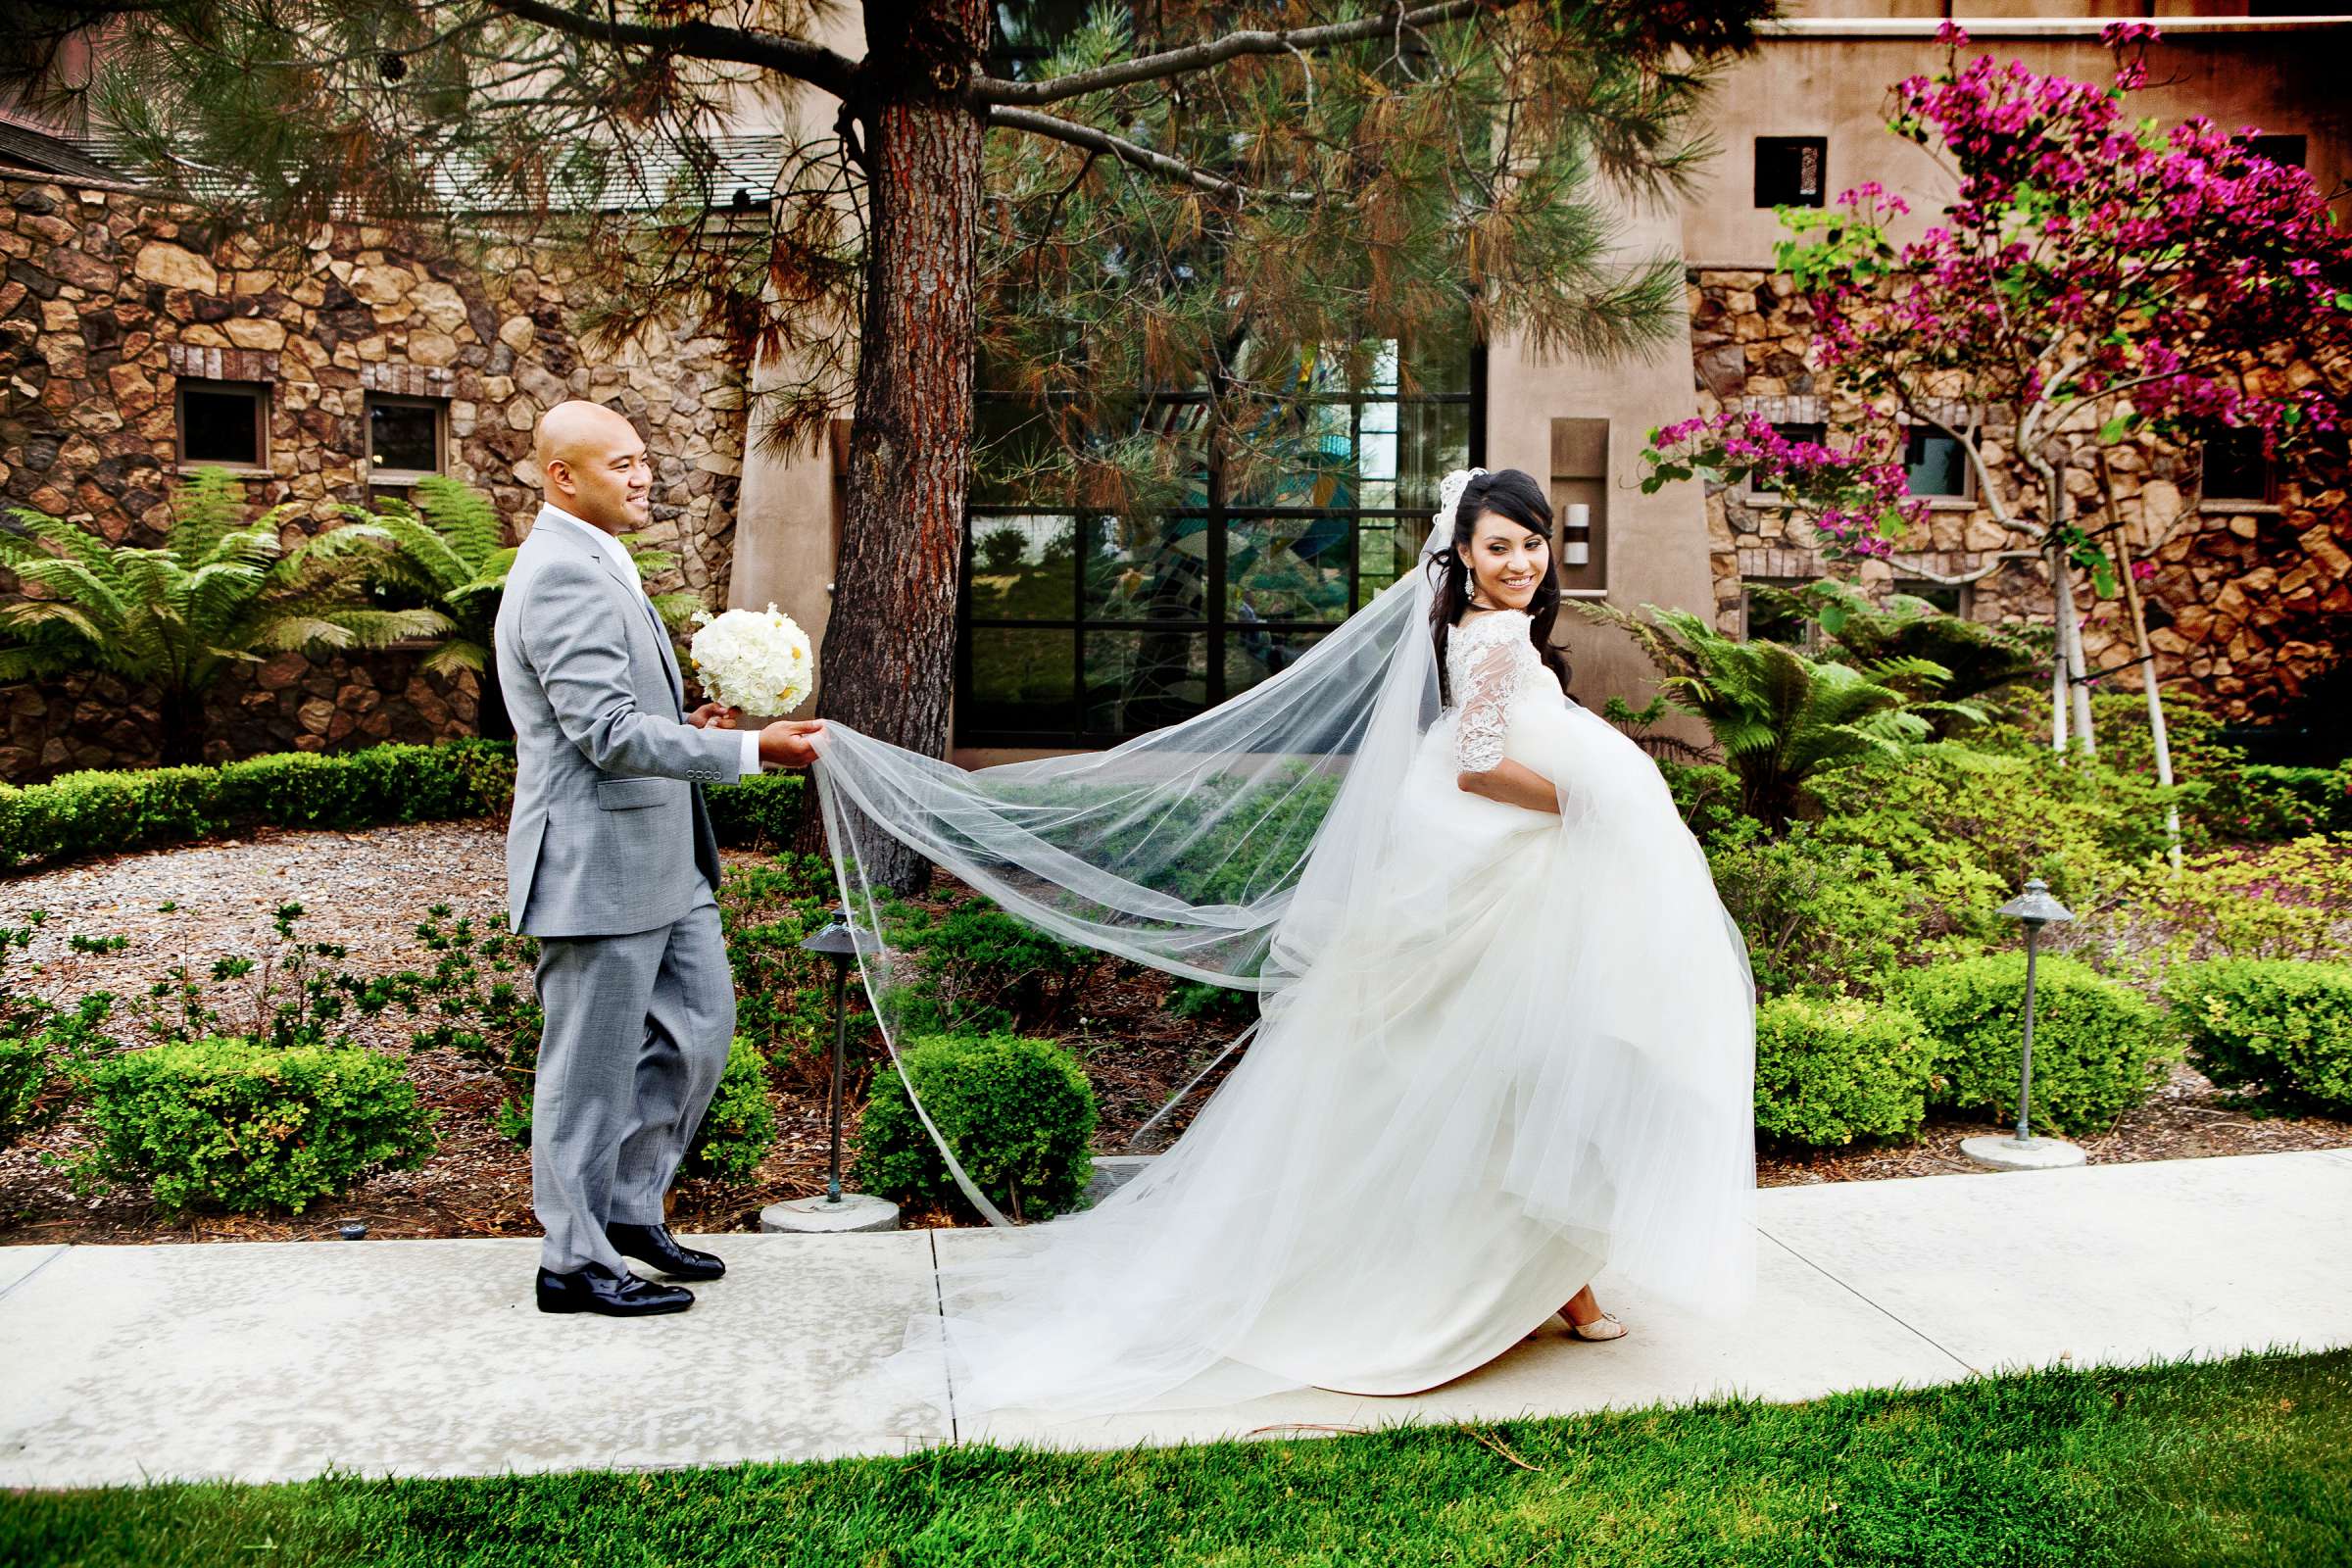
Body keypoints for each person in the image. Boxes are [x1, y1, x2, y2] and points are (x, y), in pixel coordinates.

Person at [813, 466, 1755, 1414]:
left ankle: (1558, 1276)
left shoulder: (1480, 634)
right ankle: (1527, 1279)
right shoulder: (1500, 640)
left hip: (1480, 873)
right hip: (1490, 871)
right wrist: (1585, 799)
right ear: (1463, 554)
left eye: (1532, 541)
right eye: (1499, 544)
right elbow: (1476, 767)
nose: (1520, 560)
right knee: (1502, 1074)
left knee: (1496, 1072)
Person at [496, 400, 823, 1318]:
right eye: (622, 464)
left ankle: (629, 1214)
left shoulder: (605, 556)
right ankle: (571, 1262)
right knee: (587, 1074)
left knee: (697, 1035)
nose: (644, 477)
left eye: (644, 459)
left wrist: (686, 730)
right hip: (597, 866)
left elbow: (620, 719)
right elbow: (601, 735)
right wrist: (755, 752)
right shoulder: (560, 572)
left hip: (666, 860)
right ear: (564, 476)